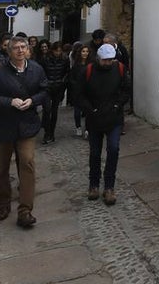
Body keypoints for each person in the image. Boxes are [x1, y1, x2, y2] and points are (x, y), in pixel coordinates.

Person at [0, 35, 49, 228]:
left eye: (23, 47)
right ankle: (3, 203)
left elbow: (44, 91)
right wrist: (9, 102)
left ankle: (25, 210)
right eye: (16, 48)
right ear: (9, 52)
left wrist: (32, 100)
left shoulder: (36, 70)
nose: (20, 50)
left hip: (26, 125)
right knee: (1, 168)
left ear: (28, 49)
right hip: (3, 126)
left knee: (27, 163)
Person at [78, 43, 132, 205]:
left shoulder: (120, 69)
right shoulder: (88, 71)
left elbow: (126, 90)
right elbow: (79, 94)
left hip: (113, 118)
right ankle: (93, 184)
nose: (108, 63)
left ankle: (109, 187)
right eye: (105, 60)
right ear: (98, 59)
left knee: (113, 150)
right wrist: (90, 109)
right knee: (95, 153)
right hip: (94, 119)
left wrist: (117, 105)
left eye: (110, 60)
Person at [40, 40, 70, 143]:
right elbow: (41, 72)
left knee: (54, 111)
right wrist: (45, 83)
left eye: (59, 51)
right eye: (56, 51)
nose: (58, 53)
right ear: (52, 50)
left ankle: (51, 133)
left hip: (58, 87)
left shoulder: (65, 59)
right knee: (47, 110)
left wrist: (63, 83)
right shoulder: (45, 59)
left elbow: (67, 72)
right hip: (47, 88)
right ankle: (47, 132)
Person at [68, 43, 92, 137]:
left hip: (88, 91)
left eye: (87, 51)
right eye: (83, 51)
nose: (85, 53)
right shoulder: (76, 65)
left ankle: (87, 129)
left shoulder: (91, 64)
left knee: (88, 111)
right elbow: (72, 77)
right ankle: (78, 127)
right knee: (77, 111)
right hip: (78, 91)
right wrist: (76, 86)